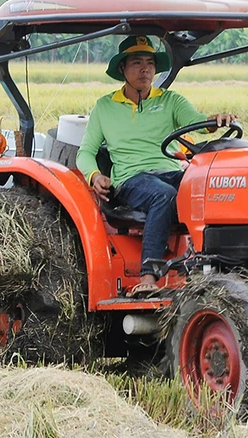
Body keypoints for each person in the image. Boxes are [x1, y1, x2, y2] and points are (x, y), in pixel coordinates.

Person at [76, 35, 236, 297]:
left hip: (171, 172)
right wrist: (94, 175)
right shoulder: (105, 107)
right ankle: (148, 275)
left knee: (213, 186)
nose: (145, 69)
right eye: (137, 62)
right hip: (131, 179)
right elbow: (86, 152)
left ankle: (219, 267)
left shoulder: (171, 101)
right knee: (163, 195)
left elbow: (197, 121)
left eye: (150, 63)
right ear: (122, 69)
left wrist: (214, 121)